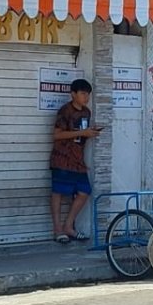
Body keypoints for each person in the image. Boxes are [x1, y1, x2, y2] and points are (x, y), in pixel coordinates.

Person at [51, 79, 100, 244]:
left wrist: (89, 133)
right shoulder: (65, 111)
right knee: (58, 192)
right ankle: (58, 230)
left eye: (88, 94)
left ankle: (68, 226)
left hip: (78, 160)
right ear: (73, 94)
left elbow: (82, 135)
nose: (86, 97)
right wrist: (82, 133)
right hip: (62, 157)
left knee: (84, 191)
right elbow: (57, 135)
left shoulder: (87, 112)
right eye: (83, 93)